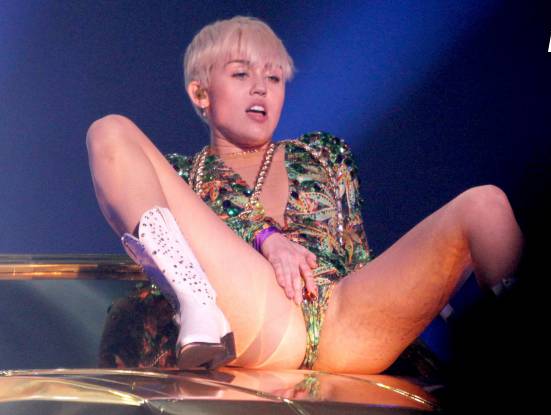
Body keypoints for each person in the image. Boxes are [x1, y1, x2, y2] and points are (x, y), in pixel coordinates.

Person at [88, 16, 523, 374]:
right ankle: (198, 307)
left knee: (485, 203)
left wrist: (422, 289)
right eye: (241, 74)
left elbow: (356, 253)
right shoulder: (180, 175)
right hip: (265, 320)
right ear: (200, 93)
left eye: (274, 77)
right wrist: (265, 238)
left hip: (348, 321)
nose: (261, 87)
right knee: (110, 130)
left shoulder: (324, 152)